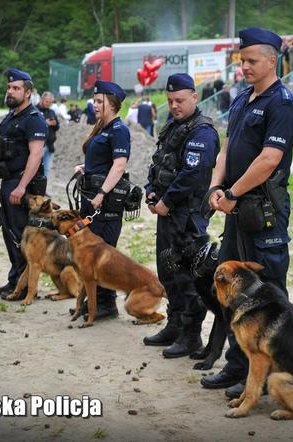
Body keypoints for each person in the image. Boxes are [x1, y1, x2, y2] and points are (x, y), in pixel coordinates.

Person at [200, 27, 293, 400]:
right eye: (242, 60)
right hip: (235, 208)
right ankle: (238, 366)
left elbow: (269, 159)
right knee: (231, 290)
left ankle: (277, 373)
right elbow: (227, 150)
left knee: (267, 293)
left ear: (273, 61)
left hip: (264, 211)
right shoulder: (243, 98)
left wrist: (233, 193)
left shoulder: (283, 103)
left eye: (252, 61)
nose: (244, 66)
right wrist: (217, 186)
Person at [143, 73, 219, 358]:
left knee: (188, 277)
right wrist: (151, 191)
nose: (174, 106)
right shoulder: (173, 127)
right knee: (168, 271)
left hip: (188, 216)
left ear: (195, 97)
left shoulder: (202, 132)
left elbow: (192, 174)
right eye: (171, 101)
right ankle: (174, 325)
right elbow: (158, 163)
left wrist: (166, 201)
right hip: (167, 212)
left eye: (180, 100)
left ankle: (191, 336)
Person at [71, 80, 131, 319]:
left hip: (104, 204)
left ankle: (107, 304)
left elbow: (119, 165)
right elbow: (103, 162)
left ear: (113, 105)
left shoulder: (119, 130)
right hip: (92, 199)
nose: (94, 105)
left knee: (103, 255)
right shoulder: (102, 128)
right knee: (90, 254)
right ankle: (93, 302)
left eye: (99, 101)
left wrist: (101, 193)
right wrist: (85, 168)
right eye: (94, 101)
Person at [0, 68, 47, 299]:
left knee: (23, 238)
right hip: (6, 182)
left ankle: (24, 287)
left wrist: (22, 186)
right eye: (9, 88)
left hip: (21, 185)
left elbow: (36, 155)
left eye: (16, 88)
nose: (10, 91)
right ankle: (15, 280)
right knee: (9, 235)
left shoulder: (34, 119)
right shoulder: (9, 118)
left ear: (28, 93)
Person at [36, 91, 59, 181]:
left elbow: (57, 127)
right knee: (35, 167)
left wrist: (54, 124)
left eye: (50, 102)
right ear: (42, 100)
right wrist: (45, 123)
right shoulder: (34, 110)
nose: (49, 104)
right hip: (39, 144)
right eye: (47, 102)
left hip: (50, 145)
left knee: (46, 168)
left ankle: (43, 189)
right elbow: (32, 126)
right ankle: (33, 189)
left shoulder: (51, 112)